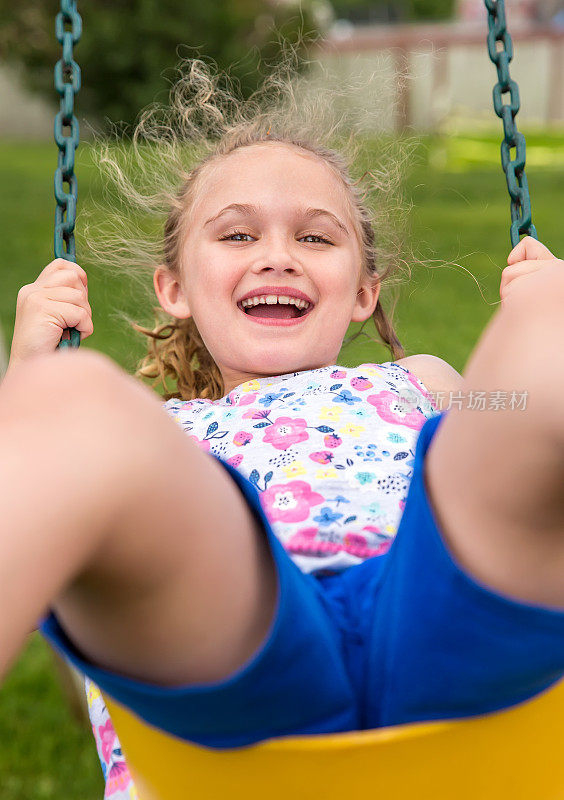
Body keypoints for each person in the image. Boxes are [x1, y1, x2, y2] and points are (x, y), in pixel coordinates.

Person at [2, 58, 564, 797]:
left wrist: (540, 314)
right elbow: (73, 549)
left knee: (546, 336)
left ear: (365, 290)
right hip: (236, 653)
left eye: (316, 239)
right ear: (174, 287)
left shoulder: (416, 381)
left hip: (439, 624)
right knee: (75, 401)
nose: (277, 257)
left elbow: (505, 441)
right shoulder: (164, 435)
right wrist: (29, 375)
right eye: (236, 236)